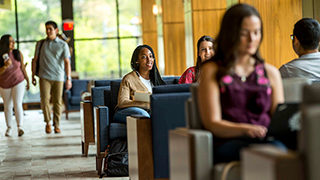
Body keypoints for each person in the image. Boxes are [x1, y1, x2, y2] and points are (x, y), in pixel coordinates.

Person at [198, 4, 286, 164]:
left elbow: (279, 119)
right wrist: (247, 130)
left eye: (256, 32)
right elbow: (212, 123)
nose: (252, 39)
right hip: (229, 142)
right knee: (268, 156)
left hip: (265, 140)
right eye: (244, 33)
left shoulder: (271, 73)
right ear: (231, 34)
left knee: (280, 151)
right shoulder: (212, 70)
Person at [31, 21, 72, 134]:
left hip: (59, 77)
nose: (48, 31)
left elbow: (67, 62)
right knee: (44, 100)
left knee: (57, 101)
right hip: (44, 76)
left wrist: (69, 78)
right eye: (46, 29)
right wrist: (33, 75)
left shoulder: (63, 45)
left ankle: (57, 125)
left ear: (56, 30)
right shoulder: (40, 44)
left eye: (50, 29)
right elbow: (35, 60)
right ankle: (48, 122)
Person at [113, 45, 166, 123]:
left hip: (151, 111)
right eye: (144, 57)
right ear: (137, 60)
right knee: (143, 114)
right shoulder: (128, 78)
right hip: (126, 111)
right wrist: (146, 105)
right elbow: (122, 102)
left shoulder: (157, 80)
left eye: (151, 56)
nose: (149, 60)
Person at [0, 34, 29, 137]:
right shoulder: (0, 56)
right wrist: (5, 66)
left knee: (17, 103)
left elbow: (22, 68)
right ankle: (9, 128)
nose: (13, 43)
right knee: (7, 106)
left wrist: (28, 80)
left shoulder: (17, 53)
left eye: (13, 41)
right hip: (4, 84)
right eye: (10, 41)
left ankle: (20, 127)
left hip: (18, 81)